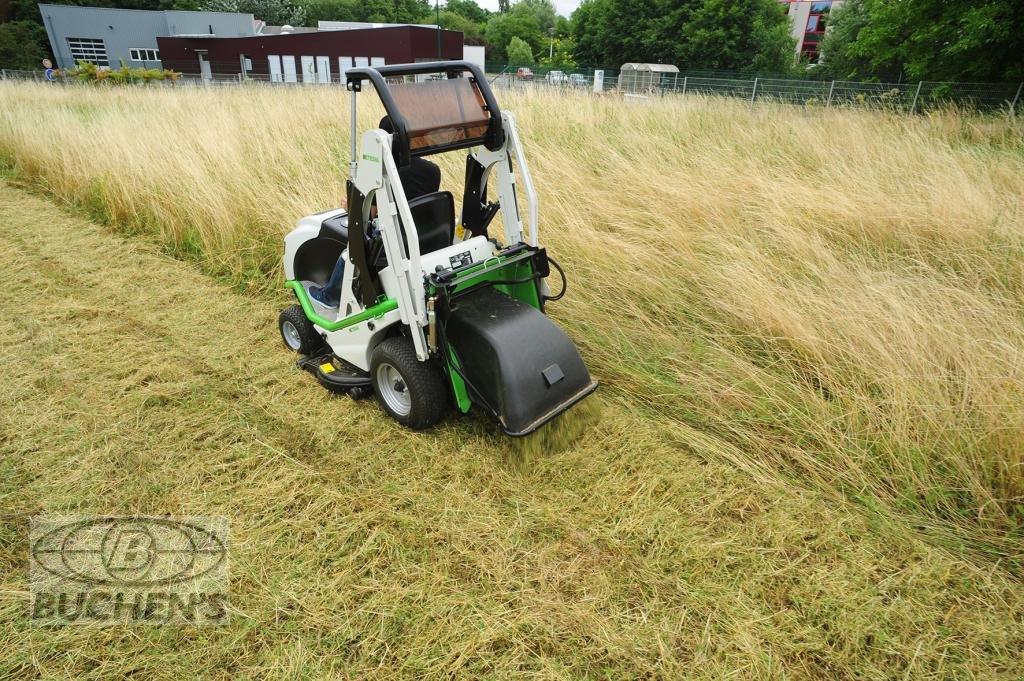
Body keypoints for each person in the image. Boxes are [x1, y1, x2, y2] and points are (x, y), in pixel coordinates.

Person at [311, 116, 441, 307]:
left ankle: (330, 297)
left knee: (351, 253)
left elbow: (369, 216)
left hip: (395, 244)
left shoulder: (380, 174)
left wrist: (351, 207)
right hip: (426, 236)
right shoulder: (433, 171)